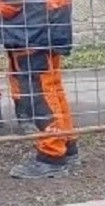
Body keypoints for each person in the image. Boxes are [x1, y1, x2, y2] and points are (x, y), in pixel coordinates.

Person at [0, 0, 80, 178]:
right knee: (51, 87)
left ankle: (51, 155)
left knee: (36, 92)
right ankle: (66, 145)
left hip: (31, 27)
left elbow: (11, 4)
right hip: (45, 21)